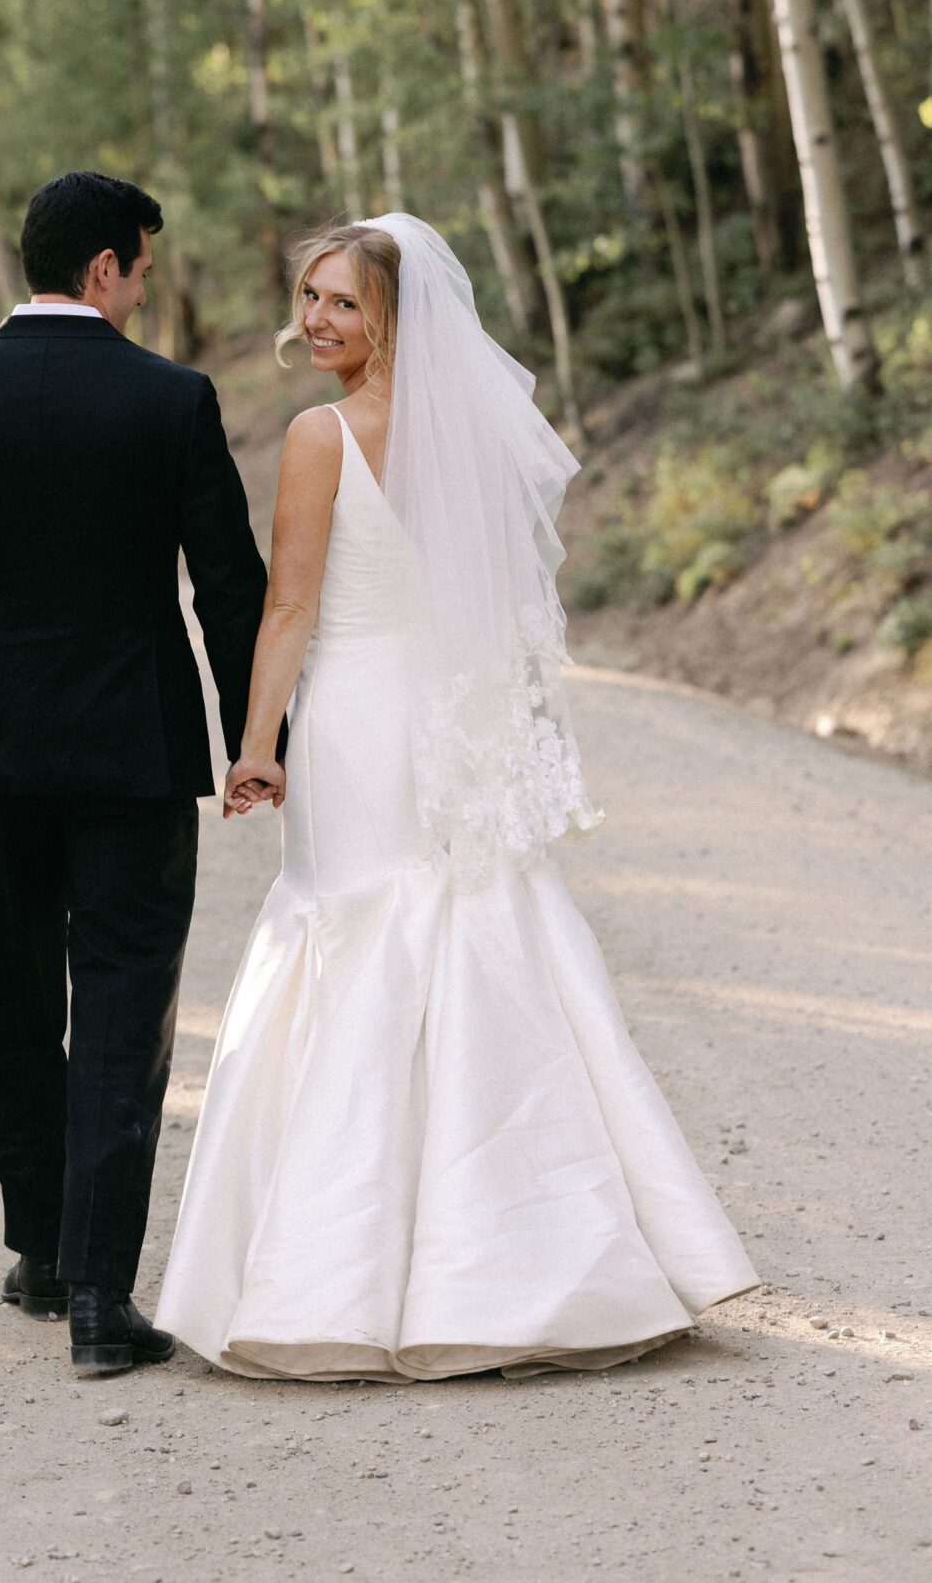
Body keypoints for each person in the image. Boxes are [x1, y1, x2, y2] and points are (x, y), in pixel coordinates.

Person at [156, 213, 758, 1381]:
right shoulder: (471, 433)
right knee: (478, 943)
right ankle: (544, 1256)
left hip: (360, 721)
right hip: (447, 718)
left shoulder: (320, 435)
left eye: (341, 300)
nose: (317, 319)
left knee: (363, 941)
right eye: (310, 297)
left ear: (392, 310)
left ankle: (348, 1280)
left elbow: (288, 606)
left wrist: (258, 741)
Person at [0, 170, 267, 1377]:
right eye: (142, 267)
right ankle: (101, 1296)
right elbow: (229, 586)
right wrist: (259, 735)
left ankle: (39, 1252)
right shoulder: (171, 400)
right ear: (104, 269)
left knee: (18, 1002)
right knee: (121, 1013)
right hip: (135, 756)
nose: (145, 288)